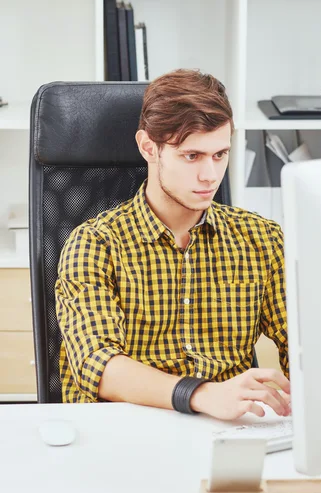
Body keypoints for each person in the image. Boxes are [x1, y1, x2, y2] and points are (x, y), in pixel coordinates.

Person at [55, 69, 290, 420]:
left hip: (225, 431)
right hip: (125, 431)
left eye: (220, 155)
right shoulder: (94, 244)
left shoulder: (262, 240)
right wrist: (200, 393)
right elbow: (98, 365)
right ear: (149, 148)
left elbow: (303, 342)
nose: (210, 175)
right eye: (191, 156)